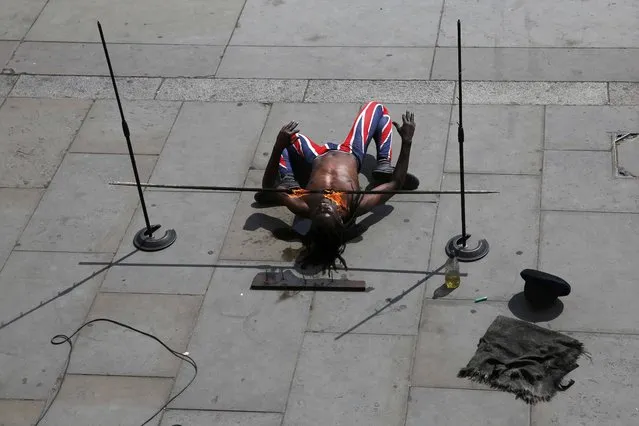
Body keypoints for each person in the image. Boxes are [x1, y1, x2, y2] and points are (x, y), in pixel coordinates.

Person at [256, 101, 418, 272]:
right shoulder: (357, 204)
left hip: (317, 155)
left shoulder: (303, 205)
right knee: (378, 108)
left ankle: (288, 177)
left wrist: (277, 146)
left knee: (286, 138)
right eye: (329, 211)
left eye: (319, 211)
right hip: (351, 152)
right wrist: (407, 141)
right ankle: (384, 162)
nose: (324, 205)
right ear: (340, 219)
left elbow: (267, 187)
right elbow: (395, 184)